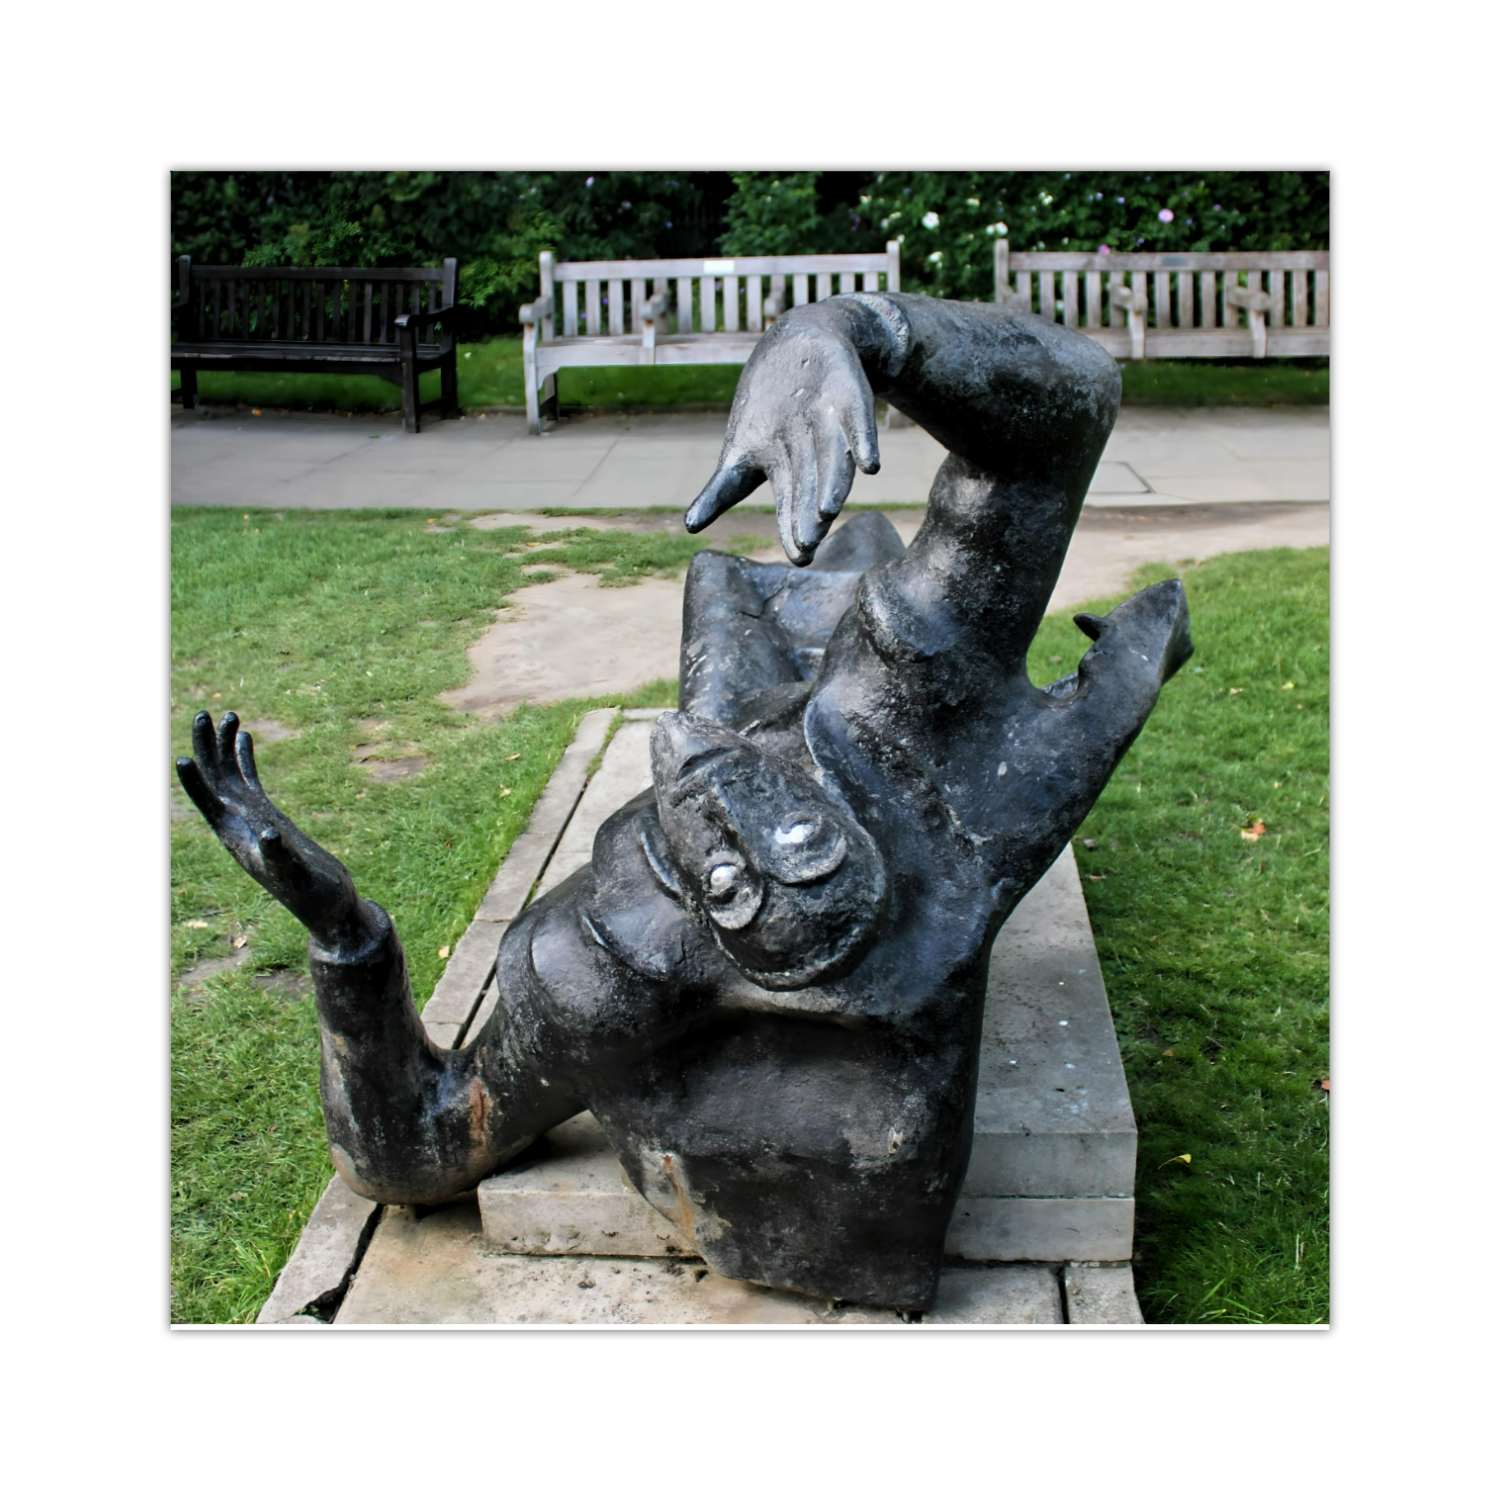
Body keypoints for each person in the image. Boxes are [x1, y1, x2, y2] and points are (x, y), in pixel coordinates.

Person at [177, 290, 1191, 1312]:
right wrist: (856, 331)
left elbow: (415, 1148)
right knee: (830, 568)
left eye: (725, 876)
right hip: (840, 714)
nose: (706, 793)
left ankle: (815, 601)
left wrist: (343, 935)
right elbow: (1070, 409)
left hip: (769, 787)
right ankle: (831, 591)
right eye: (794, 824)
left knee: (746, 593)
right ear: (840, 819)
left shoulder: (615, 959)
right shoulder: (907, 702)